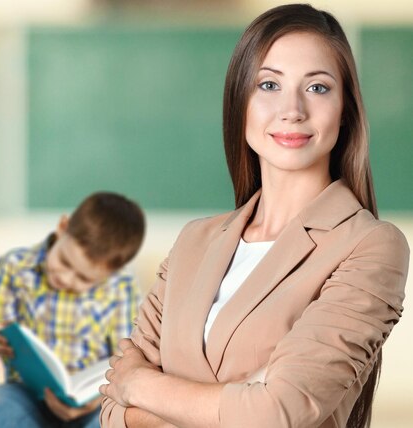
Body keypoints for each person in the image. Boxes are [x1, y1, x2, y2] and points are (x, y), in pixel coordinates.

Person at [100, 4, 409, 428]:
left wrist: (138, 386)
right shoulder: (194, 241)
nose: (292, 109)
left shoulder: (370, 245)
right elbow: (111, 410)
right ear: (239, 100)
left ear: (346, 110)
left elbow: (276, 413)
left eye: (318, 88)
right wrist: (240, 400)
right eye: (268, 84)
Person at [0, 192, 145, 428]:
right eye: (65, 261)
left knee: (116, 420)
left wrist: (97, 399)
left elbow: (124, 360)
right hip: (26, 394)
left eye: (84, 278)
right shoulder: (14, 266)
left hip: (93, 401)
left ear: (111, 272)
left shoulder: (123, 287)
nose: (67, 279)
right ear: (62, 227)